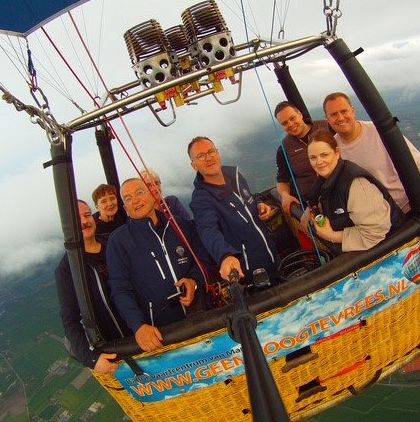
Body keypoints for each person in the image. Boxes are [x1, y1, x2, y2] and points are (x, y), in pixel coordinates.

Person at [106, 178, 207, 352]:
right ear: (125, 208)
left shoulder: (180, 225)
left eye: (139, 192)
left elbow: (202, 259)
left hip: (201, 317)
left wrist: (194, 281)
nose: (135, 200)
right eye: (128, 199)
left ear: (153, 195)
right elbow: (120, 290)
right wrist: (138, 326)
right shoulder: (118, 241)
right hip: (161, 333)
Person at [323, 93, 420, 218]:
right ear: (327, 119)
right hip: (378, 220)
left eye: (344, 111)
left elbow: (416, 159)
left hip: (407, 207)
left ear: (353, 111)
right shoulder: (332, 149)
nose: (340, 118)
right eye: (334, 114)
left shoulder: (379, 131)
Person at [188, 136, 280, 284]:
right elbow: (208, 230)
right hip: (249, 274)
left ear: (218, 153)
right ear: (194, 165)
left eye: (211, 152)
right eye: (201, 156)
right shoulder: (201, 200)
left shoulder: (235, 176)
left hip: (273, 257)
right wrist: (225, 256)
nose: (209, 158)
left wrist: (258, 204)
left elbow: (248, 196)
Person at [55, 200, 131, 374]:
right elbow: (70, 318)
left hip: (146, 330)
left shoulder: (112, 242)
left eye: (87, 215)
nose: (84, 221)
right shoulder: (68, 269)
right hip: (118, 345)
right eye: (77, 219)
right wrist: (91, 358)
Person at [305, 130, 405, 255]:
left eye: (324, 155)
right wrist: (313, 210)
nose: (319, 162)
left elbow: (374, 233)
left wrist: (331, 236)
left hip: (393, 250)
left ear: (337, 152)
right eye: (313, 158)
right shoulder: (325, 181)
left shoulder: (356, 185)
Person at [274, 101, 330, 215]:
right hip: (312, 205)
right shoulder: (284, 149)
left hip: (340, 192)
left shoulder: (326, 127)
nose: (290, 124)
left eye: (292, 118)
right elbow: (282, 180)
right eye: (285, 123)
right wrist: (285, 195)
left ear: (300, 114)